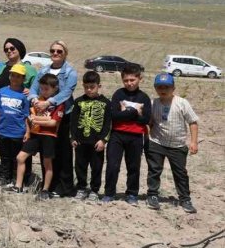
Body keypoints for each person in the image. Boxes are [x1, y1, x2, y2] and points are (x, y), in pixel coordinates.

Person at [29, 40, 78, 197]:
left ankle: (64, 187)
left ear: (65, 53)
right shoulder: (43, 70)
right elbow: (33, 88)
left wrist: (49, 102)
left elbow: (67, 92)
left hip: (63, 115)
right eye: (53, 51)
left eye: (59, 51)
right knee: (47, 152)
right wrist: (34, 100)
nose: (55, 53)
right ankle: (48, 186)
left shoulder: (70, 72)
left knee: (63, 151)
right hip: (43, 114)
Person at [146, 73, 199, 214]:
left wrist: (194, 142)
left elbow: (193, 122)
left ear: (173, 88)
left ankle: (185, 199)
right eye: (159, 87)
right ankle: (152, 195)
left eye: (167, 87)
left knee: (180, 173)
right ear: (155, 88)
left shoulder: (182, 103)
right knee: (154, 170)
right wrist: (146, 136)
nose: (163, 90)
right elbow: (150, 122)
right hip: (157, 142)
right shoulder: (153, 103)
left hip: (177, 145)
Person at [8, 74, 64, 199]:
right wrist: (28, 132)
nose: (43, 91)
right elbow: (29, 118)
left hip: (48, 136)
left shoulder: (58, 103)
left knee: (47, 163)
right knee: (20, 157)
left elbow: (53, 123)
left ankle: (45, 189)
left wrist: (37, 120)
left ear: (55, 88)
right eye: (41, 89)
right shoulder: (37, 101)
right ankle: (18, 186)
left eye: (46, 89)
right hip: (34, 135)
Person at [104, 62, 152, 204]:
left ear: (139, 78)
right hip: (117, 135)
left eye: (132, 80)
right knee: (112, 165)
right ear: (122, 79)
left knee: (133, 167)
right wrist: (135, 112)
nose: (129, 83)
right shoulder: (118, 94)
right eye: (126, 80)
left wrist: (126, 112)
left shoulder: (144, 97)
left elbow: (145, 119)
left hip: (136, 136)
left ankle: (132, 194)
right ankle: (109, 193)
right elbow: (114, 115)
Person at [70, 71, 111, 201]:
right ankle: (81, 188)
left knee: (97, 167)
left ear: (99, 86)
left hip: (97, 143)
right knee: (80, 166)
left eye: (92, 87)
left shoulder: (106, 103)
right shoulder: (78, 102)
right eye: (86, 87)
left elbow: (108, 123)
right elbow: (73, 121)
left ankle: (94, 190)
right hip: (80, 141)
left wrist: (103, 140)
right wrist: (72, 137)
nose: (89, 90)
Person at [0, 64, 30, 187]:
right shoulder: (2, 92)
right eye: (13, 75)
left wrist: (28, 131)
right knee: (4, 156)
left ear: (23, 79)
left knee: (16, 157)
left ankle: (16, 178)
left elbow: (26, 115)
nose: (15, 78)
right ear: (9, 76)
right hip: (3, 130)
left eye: (18, 76)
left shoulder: (25, 95)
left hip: (18, 131)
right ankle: (5, 177)